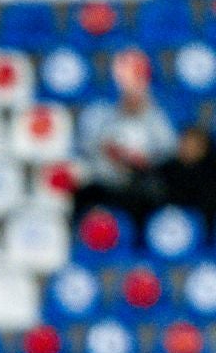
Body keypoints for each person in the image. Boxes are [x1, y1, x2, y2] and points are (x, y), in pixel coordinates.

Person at [73, 62, 175, 231]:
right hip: (102, 180)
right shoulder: (101, 113)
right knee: (83, 193)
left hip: (136, 182)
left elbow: (168, 148)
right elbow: (85, 144)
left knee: (152, 196)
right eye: (128, 94)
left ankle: (141, 240)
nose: (132, 99)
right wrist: (107, 148)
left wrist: (146, 160)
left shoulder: (155, 118)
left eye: (137, 95)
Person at [158, 125, 215, 237]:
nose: (188, 148)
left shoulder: (211, 172)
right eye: (185, 143)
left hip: (202, 231)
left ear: (203, 148)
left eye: (193, 145)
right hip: (168, 227)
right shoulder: (166, 169)